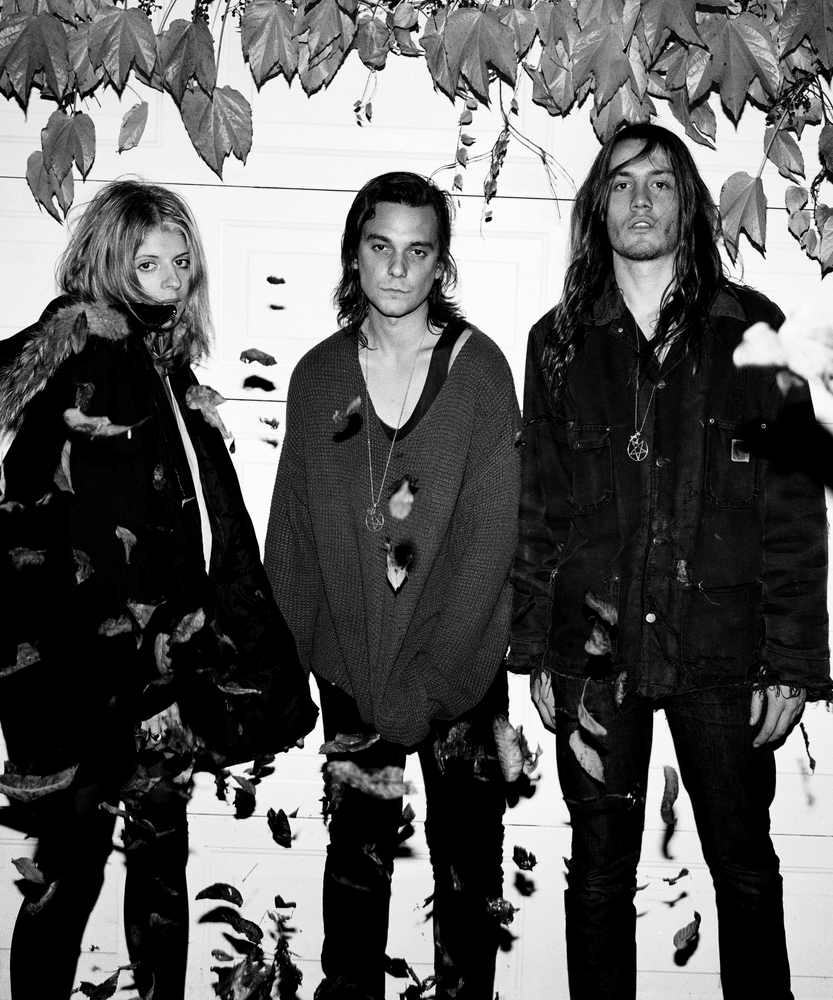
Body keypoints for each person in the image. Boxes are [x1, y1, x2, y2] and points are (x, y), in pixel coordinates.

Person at [509, 122, 832, 1000]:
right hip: (594, 650)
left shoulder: (755, 329)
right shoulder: (557, 342)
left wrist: (793, 661)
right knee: (598, 874)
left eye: (659, 182)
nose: (640, 200)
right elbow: (540, 504)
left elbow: (795, 507)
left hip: (723, 645)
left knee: (745, 868)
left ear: (686, 203)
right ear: (598, 208)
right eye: (620, 183)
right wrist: (536, 648)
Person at [0, 179, 317, 999]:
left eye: (180, 261)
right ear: (107, 263)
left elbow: (187, 528)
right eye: (147, 263)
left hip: (157, 672)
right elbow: (86, 543)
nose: (169, 277)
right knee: (70, 870)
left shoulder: (159, 365)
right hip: (101, 681)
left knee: (156, 871)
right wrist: (146, 668)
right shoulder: (95, 363)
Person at [264, 172, 521, 999]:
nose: (399, 268)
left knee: (469, 874)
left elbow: (493, 543)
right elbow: (293, 533)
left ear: (441, 262)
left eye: (418, 250)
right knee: (356, 868)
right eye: (381, 246)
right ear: (355, 254)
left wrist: (434, 682)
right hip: (351, 667)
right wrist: (279, 672)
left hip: (462, 672)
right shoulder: (316, 377)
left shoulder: (480, 372)